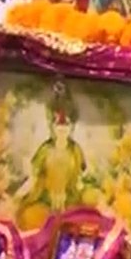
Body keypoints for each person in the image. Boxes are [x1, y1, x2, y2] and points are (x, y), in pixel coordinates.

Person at [16, 82, 87, 231]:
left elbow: (81, 181)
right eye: (57, 125)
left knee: (82, 222)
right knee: (29, 217)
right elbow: (34, 178)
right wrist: (18, 196)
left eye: (66, 125)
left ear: (72, 127)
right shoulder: (45, 149)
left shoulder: (75, 150)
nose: (62, 129)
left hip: (69, 203)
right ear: (51, 127)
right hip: (45, 201)